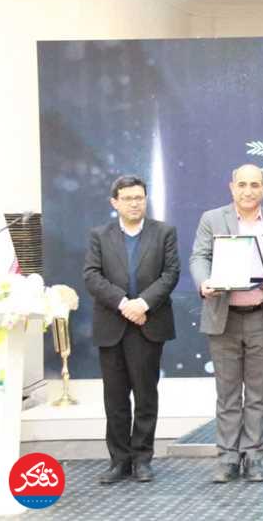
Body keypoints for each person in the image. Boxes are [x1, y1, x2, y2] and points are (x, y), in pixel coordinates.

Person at [190, 164, 263, 483]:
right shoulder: (212, 219)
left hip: (262, 315)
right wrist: (204, 282)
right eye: (242, 184)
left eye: (254, 185)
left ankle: (254, 457)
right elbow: (199, 257)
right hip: (224, 316)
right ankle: (228, 458)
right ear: (232, 187)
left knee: (258, 393)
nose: (248, 191)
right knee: (227, 393)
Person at [83, 175, 180, 484]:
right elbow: (92, 275)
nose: (134, 203)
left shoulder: (164, 232)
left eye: (139, 197)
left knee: (145, 395)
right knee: (115, 398)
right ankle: (119, 461)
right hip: (112, 324)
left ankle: (142, 459)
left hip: (148, 324)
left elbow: (171, 274)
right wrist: (124, 304)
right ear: (115, 202)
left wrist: (143, 304)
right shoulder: (99, 235)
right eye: (127, 198)